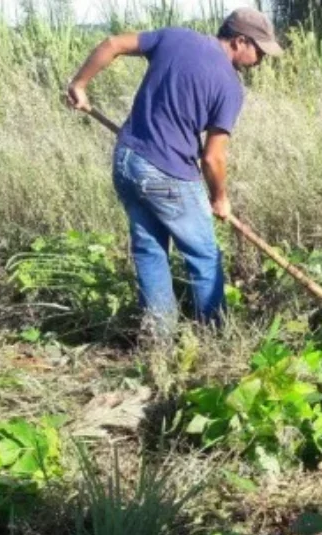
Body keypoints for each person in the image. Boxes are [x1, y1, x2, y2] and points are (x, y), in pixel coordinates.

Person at [65, 8, 282, 337]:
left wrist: (79, 84)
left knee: (150, 250)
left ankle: (159, 340)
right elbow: (212, 158)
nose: (261, 61)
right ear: (240, 41)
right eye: (260, 52)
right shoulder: (229, 86)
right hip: (168, 174)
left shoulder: (175, 37)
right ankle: (215, 338)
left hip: (128, 161)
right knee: (203, 256)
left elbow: (112, 44)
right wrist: (220, 198)